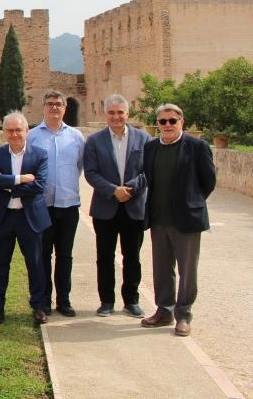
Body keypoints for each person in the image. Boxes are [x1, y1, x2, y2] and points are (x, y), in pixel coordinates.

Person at [141, 103, 216, 337]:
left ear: (181, 122)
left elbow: (208, 181)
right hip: (158, 219)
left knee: (187, 270)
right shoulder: (151, 148)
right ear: (158, 124)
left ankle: (183, 315)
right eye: (162, 121)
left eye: (172, 121)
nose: (167, 125)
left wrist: (192, 201)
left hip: (187, 220)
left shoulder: (197, 147)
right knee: (162, 269)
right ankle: (164, 310)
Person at [83, 94, 150, 318]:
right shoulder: (94, 141)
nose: (116, 117)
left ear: (127, 114)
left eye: (120, 112)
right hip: (105, 207)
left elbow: (148, 171)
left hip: (134, 206)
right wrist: (113, 190)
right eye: (111, 112)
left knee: (132, 256)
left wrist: (128, 189)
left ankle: (131, 300)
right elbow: (91, 173)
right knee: (104, 257)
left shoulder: (143, 139)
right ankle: (107, 301)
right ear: (105, 115)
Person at [0, 112, 51, 326]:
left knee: (35, 264)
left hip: (29, 218)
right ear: (4, 132)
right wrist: (20, 179)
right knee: (0, 266)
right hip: (3, 218)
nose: (14, 134)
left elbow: (40, 185)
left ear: (27, 131)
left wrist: (7, 185)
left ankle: (39, 307)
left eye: (18, 130)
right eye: (10, 130)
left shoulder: (40, 155)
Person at [27, 90, 85, 317]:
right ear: (43, 107)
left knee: (65, 255)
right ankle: (42, 301)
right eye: (50, 104)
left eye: (58, 104)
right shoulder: (32, 136)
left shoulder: (76, 137)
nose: (54, 108)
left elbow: (78, 166)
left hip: (68, 204)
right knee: (42, 255)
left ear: (65, 107)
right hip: (41, 205)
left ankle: (64, 300)